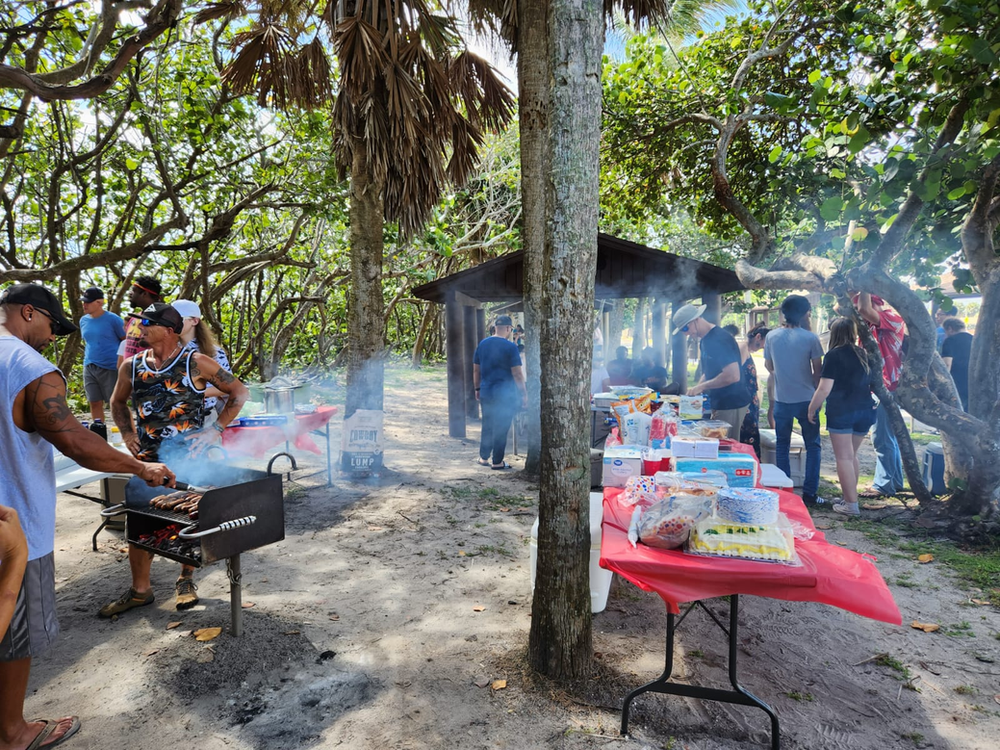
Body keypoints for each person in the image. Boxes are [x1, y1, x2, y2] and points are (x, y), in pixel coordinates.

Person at [0, 283, 175, 750]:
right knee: (13, 632)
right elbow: (75, 441)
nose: (54, 338)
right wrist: (140, 466)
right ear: (28, 313)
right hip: (12, 527)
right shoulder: (29, 367)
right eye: (52, 327)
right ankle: (14, 734)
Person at [102, 303, 249, 617]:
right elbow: (116, 402)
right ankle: (140, 590)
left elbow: (239, 392)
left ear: (169, 330)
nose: (139, 327)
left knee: (186, 523)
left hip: (188, 460)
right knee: (139, 520)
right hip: (147, 462)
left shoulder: (196, 363)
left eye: (148, 323)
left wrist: (216, 430)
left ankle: (186, 579)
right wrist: (128, 435)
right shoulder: (131, 365)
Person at [807, 318, 877, 516]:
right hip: (865, 409)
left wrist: (812, 408)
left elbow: (824, 388)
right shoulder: (864, 353)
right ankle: (849, 497)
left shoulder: (834, 355)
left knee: (844, 457)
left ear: (834, 334)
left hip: (842, 411)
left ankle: (851, 505)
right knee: (851, 455)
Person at [764, 295, 824, 505]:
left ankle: (785, 492)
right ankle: (809, 494)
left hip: (782, 399)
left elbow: (769, 367)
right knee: (813, 446)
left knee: (782, 445)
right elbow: (818, 373)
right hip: (807, 399)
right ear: (805, 313)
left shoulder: (771, 336)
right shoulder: (811, 339)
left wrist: (783, 372)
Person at [855, 292, 906, 498]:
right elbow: (843, 309)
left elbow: (863, 309)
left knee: (882, 437)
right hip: (880, 385)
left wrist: (864, 286)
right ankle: (894, 481)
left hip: (889, 385)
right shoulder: (872, 326)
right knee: (888, 436)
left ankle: (883, 485)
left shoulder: (891, 318)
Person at [674, 304, 751, 438]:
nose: (686, 333)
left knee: (725, 446)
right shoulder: (705, 340)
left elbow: (732, 376)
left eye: (686, 328)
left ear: (696, 319)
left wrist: (703, 386)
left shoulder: (720, 339)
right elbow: (709, 371)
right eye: (683, 331)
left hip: (731, 402)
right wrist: (697, 388)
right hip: (719, 401)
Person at [473, 315, 527, 470]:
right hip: (505, 394)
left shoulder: (482, 344)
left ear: (495, 327)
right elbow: (517, 374)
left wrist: (477, 388)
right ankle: (497, 461)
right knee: (502, 426)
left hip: (486, 391)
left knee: (487, 424)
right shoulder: (510, 347)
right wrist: (523, 394)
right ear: (509, 329)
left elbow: (476, 370)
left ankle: (483, 458)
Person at [172, 299, 233, 422]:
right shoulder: (166, 350)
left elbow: (228, 386)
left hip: (204, 418)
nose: (172, 323)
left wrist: (193, 393)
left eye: (178, 318)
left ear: (194, 321)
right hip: (171, 419)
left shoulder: (214, 352)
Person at [78, 286, 125, 437]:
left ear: (99, 302)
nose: (84, 305)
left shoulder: (114, 320)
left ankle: (124, 434)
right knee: (94, 401)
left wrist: (123, 365)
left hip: (111, 367)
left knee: (115, 403)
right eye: (83, 301)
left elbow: (126, 342)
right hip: (89, 365)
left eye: (88, 302)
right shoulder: (83, 320)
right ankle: (99, 435)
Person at [739, 325, 769, 457]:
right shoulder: (743, 348)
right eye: (764, 343)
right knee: (747, 435)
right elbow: (737, 373)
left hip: (750, 399)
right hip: (744, 400)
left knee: (752, 433)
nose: (763, 347)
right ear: (758, 337)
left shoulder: (747, 351)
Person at [118, 276, 162, 365]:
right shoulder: (134, 318)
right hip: (130, 375)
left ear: (145, 294)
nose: (130, 293)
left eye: (134, 291)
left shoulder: (161, 320)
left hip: (148, 375)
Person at [941, 317, 973, 411]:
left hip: (957, 381)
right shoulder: (974, 339)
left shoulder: (950, 341)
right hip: (973, 380)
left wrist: (943, 382)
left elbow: (947, 364)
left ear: (950, 328)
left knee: (958, 411)